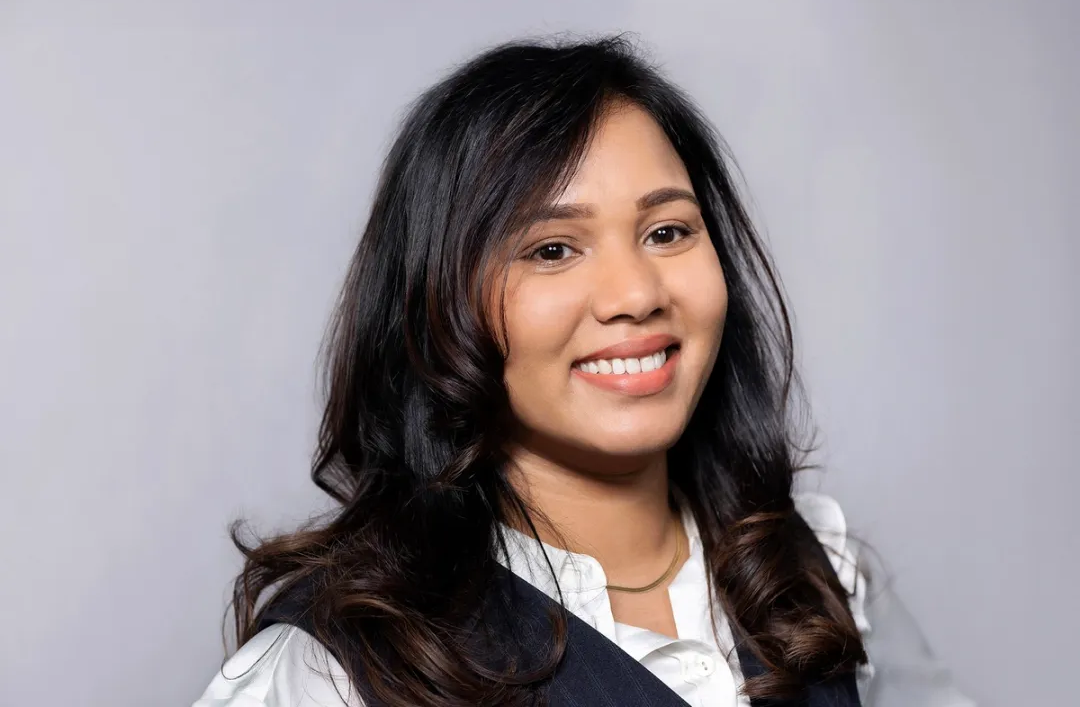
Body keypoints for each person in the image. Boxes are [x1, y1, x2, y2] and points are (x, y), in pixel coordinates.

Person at [193, 36, 975, 707]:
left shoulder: (815, 570)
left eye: (668, 231)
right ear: (435, 303)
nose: (636, 294)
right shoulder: (340, 670)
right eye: (552, 250)